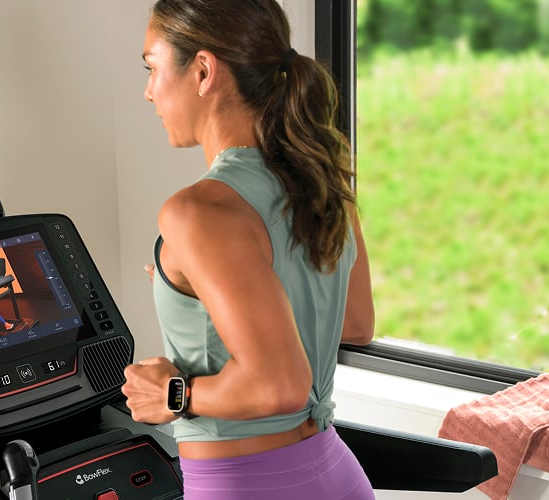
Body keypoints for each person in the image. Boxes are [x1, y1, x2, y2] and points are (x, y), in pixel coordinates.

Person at [120, 1, 375, 499]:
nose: (147, 90)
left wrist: (172, 395)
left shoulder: (196, 211)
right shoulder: (320, 180)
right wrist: (219, 296)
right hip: (336, 474)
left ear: (202, 70)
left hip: (247, 486)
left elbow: (279, 385)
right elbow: (354, 323)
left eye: (151, 67)